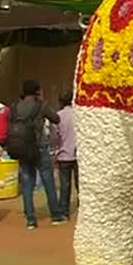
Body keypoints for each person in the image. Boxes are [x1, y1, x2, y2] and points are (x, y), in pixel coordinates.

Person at [8, 80, 64, 230]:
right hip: (39, 147)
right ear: (37, 90)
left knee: (27, 182)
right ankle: (56, 215)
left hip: (22, 148)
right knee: (48, 180)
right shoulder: (41, 105)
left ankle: (31, 220)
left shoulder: (14, 107)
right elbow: (56, 119)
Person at [53, 91, 78, 220]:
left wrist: (55, 153)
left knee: (65, 185)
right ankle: (84, 210)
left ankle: (64, 212)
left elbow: (55, 137)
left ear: (61, 102)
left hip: (63, 155)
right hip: (79, 155)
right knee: (81, 185)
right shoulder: (80, 115)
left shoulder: (58, 116)